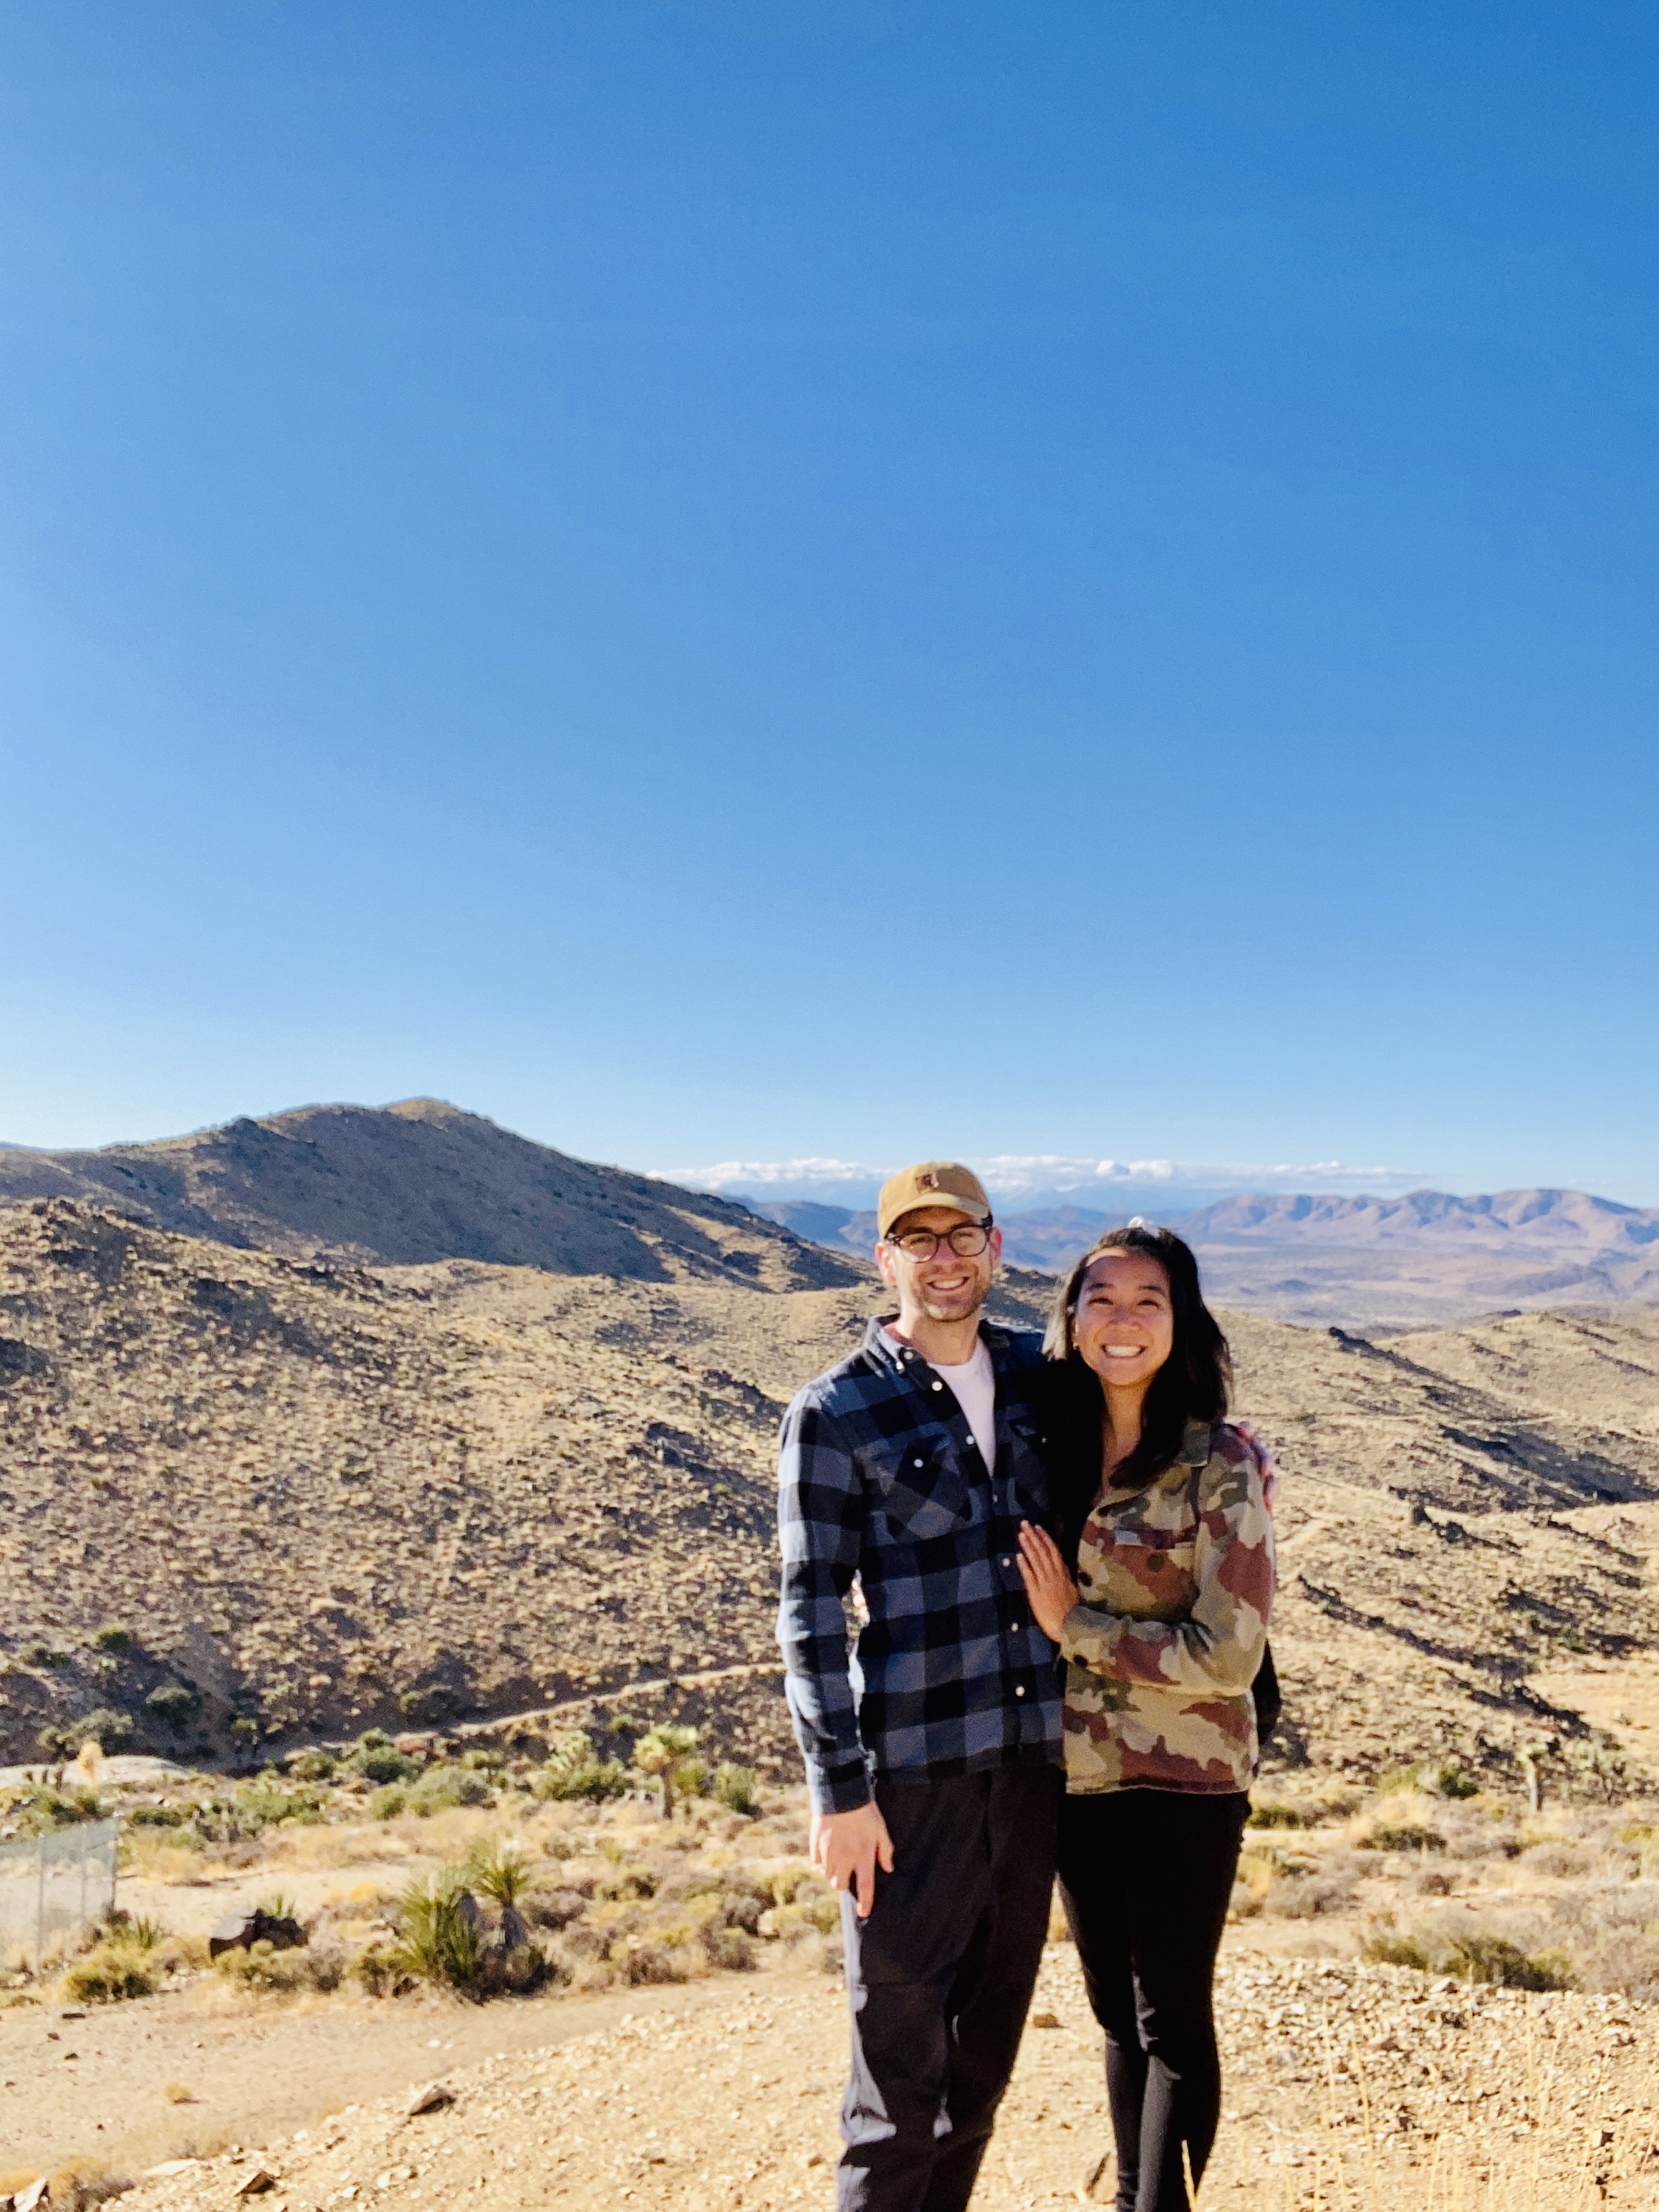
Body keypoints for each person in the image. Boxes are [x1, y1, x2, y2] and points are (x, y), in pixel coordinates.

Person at [776, 1160, 1063, 2212]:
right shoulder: (837, 1410)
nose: (943, 1258)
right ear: (883, 1256)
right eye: (920, 1239)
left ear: (993, 1246)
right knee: (895, 2095)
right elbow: (810, 1615)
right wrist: (839, 1795)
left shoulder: (1042, 1377)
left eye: (962, 1236)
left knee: (981, 2076)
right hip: (912, 1787)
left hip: (1033, 1774)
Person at [1016, 1224, 1275, 2212]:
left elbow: (1228, 1655)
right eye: (1102, 1298)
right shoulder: (1049, 1450)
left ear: (1182, 1321)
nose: (1123, 1320)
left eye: (1148, 1301)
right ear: (1073, 1320)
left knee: (1170, 2020)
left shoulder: (1221, 1463)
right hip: (1077, 1773)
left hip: (1186, 1780)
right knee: (1114, 2018)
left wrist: (1075, 1627)